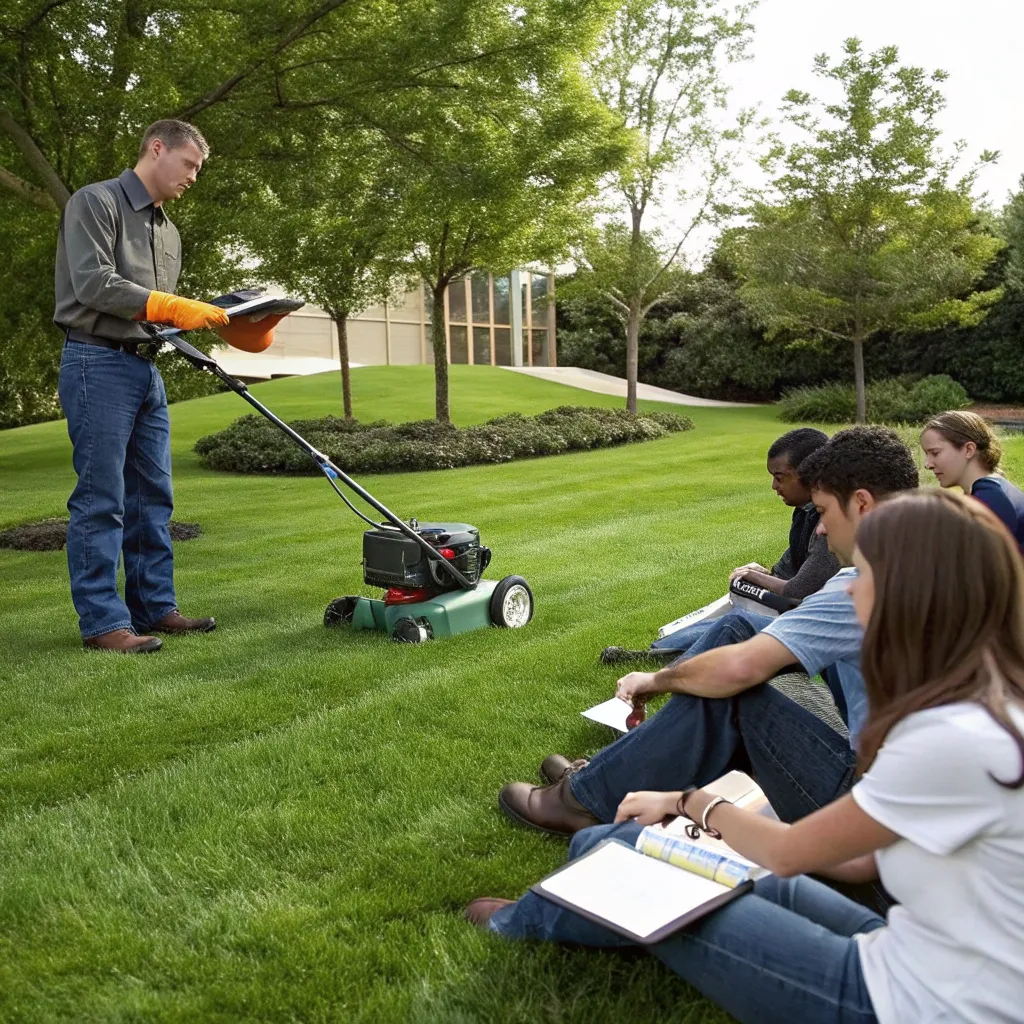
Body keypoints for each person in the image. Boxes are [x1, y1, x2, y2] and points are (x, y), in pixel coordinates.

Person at [469, 490, 1024, 1024]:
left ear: (915, 593)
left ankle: (529, 917)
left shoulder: (953, 736)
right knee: (636, 843)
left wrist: (692, 803)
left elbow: (786, 854)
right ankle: (585, 870)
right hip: (908, 946)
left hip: (897, 1002)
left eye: (867, 575)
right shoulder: (989, 706)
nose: (853, 591)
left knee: (636, 863)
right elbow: (857, 862)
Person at [497, 427, 919, 856]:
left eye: (825, 511)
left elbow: (740, 669)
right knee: (737, 633)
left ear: (862, 503)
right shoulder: (933, 554)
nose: (823, 530)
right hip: (889, 792)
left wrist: (656, 680)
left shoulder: (864, 585)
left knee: (738, 685)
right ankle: (616, 772)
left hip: (870, 816)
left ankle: (586, 800)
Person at [55, 119, 231, 653]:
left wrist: (227, 323)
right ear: (158, 149)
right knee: (101, 497)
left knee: (153, 497)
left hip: (145, 369)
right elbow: (93, 283)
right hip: (96, 361)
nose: (194, 177)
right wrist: (174, 306)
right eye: (190, 165)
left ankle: (154, 606)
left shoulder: (168, 232)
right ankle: (103, 624)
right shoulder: (96, 203)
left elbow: (160, 317)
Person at [602, 428, 840, 667]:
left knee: (737, 621)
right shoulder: (805, 514)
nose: (773, 486)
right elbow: (787, 571)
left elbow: (797, 590)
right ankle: (659, 654)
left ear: (810, 475)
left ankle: (669, 675)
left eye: (780, 477)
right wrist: (760, 576)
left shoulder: (831, 523)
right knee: (736, 609)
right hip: (802, 615)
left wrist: (753, 577)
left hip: (814, 627)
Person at [921, 410, 1024, 554]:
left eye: (935, 453)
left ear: (969, 450)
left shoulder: (990, 501)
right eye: (927, 455)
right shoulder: (994, 490)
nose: (928, 464)